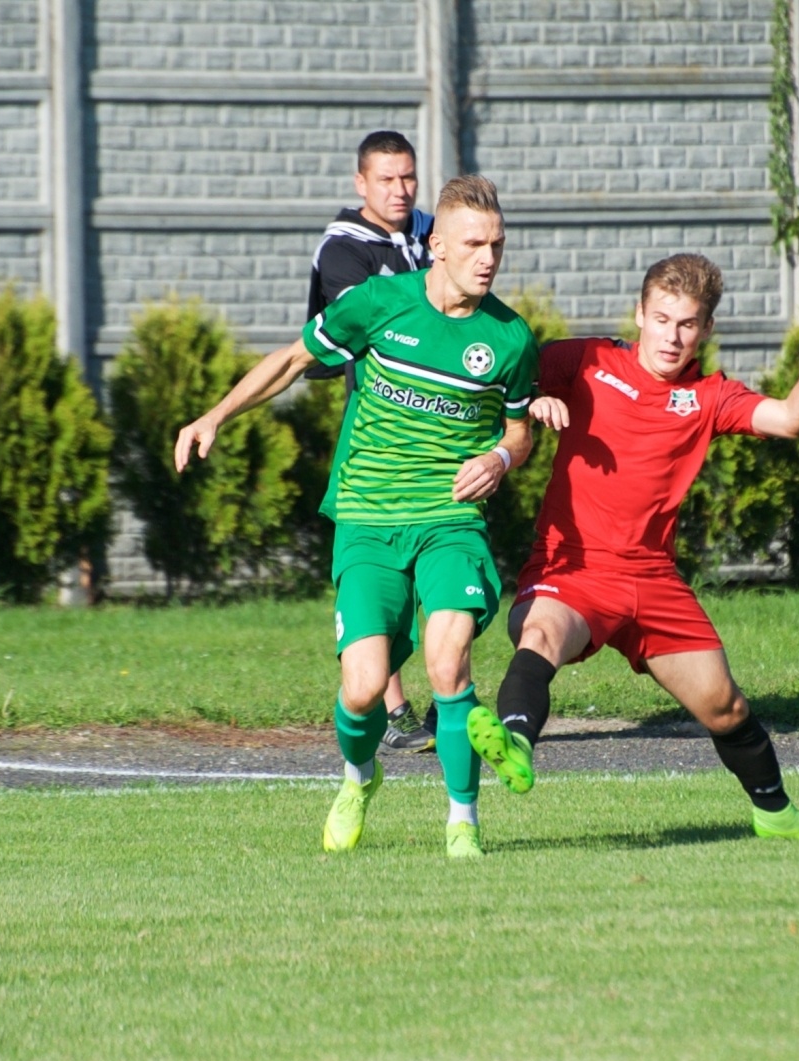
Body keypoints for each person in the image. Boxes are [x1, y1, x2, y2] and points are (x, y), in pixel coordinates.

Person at [175, 176, 538, 858]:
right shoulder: (379, 304)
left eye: (498, 245)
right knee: (365, 688)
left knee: (448, 660)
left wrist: (502, 459)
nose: (488, 259)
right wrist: (215, 416)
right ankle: (358, 777)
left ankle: (463, 822)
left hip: (448, 521)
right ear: (437, 246)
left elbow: (519, 433)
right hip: (368, 520)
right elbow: (292, 360)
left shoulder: (510, 340)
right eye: (473, 245)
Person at [466, 253, 799, 843]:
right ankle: (515, 742)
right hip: (571, 566)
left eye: (688, 324)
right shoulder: (587, 359)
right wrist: (531, 404)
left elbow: (791, 420)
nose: (672, 337)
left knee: (724, 706)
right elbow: (501, 382)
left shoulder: (709, 396)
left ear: (706, 330)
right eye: (663, 319)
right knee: (540, 636)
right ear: (641, 314)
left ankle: (777, 815)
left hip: (652, 579)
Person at [306, 130, 439, 755]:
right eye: (386, 179)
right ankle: (394, 710)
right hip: (378, 420)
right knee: (380, 570)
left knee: (434, 559)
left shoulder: (429, 230)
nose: (400, 189)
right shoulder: (344, 249)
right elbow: (372, 325)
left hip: (438, 424)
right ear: (361, 184)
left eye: (408, 176)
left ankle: (447, 694)